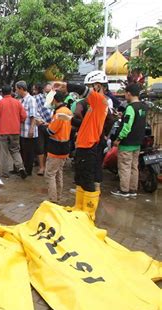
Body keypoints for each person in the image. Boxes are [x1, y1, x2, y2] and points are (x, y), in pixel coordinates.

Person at [56, 70, 109, 220]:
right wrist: (69, 119)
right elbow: (86, 124)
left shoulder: (99, 101)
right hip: (83, 145)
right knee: (80, 178)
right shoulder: (94, 105)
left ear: (97, 86)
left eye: (91, 87)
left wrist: (66, 85)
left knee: (87, 179)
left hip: (89, 146)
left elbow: (83, 91)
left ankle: (88, 213)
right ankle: (78, 208)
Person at [111, 83, 148, 197]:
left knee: (124, 167)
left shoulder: (131, 107)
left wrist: (118, 139)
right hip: (137, 143)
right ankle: (133, 189)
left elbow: (127, 127)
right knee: (134, 166)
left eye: (125, 94)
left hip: (127, 143)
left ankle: (124, 190)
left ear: (128, 93)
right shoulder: (144, 106)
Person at [0, 84, 27, 179]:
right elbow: (24, 116)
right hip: (15, 131)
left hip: (3, 132)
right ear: (11, 92)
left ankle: (5, 174)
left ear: (2, 93)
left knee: (3, 153)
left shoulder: (0, 103)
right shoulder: (17, 103)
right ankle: (20, 167)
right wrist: (19, 121)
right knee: (15, 150)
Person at [45, 91, 73, 203]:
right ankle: (59, 197)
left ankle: (52, 200)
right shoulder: (68, 111)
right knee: (58, 173)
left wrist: (43, 127)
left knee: (50, 174)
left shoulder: (59, 114)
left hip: (55, 148)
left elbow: (51, 131)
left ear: (55, 100)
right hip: (65, 147)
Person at [16, 80, 38, 176]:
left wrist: (31, 129)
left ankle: (28, 171)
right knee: (22, 151)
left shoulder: (31, 100)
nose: (16, 91)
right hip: (22, 130)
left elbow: (33, 116)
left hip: (29, 131)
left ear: (21, 89)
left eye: (16, 89)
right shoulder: (21, 100)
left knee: (29, 153)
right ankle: (22, 169)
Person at [32, 83, 53, 176]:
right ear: (43, 89)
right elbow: (34, 111)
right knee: (40, 147)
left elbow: (55, 111)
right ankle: (41, 167)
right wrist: (39, 120)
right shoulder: (36, 98)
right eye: (47, 91)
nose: (48, 93)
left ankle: (46, 167)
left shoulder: (54, 98)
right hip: (40, 125)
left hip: (51, 125)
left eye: (50, 91)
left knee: (48, 147)